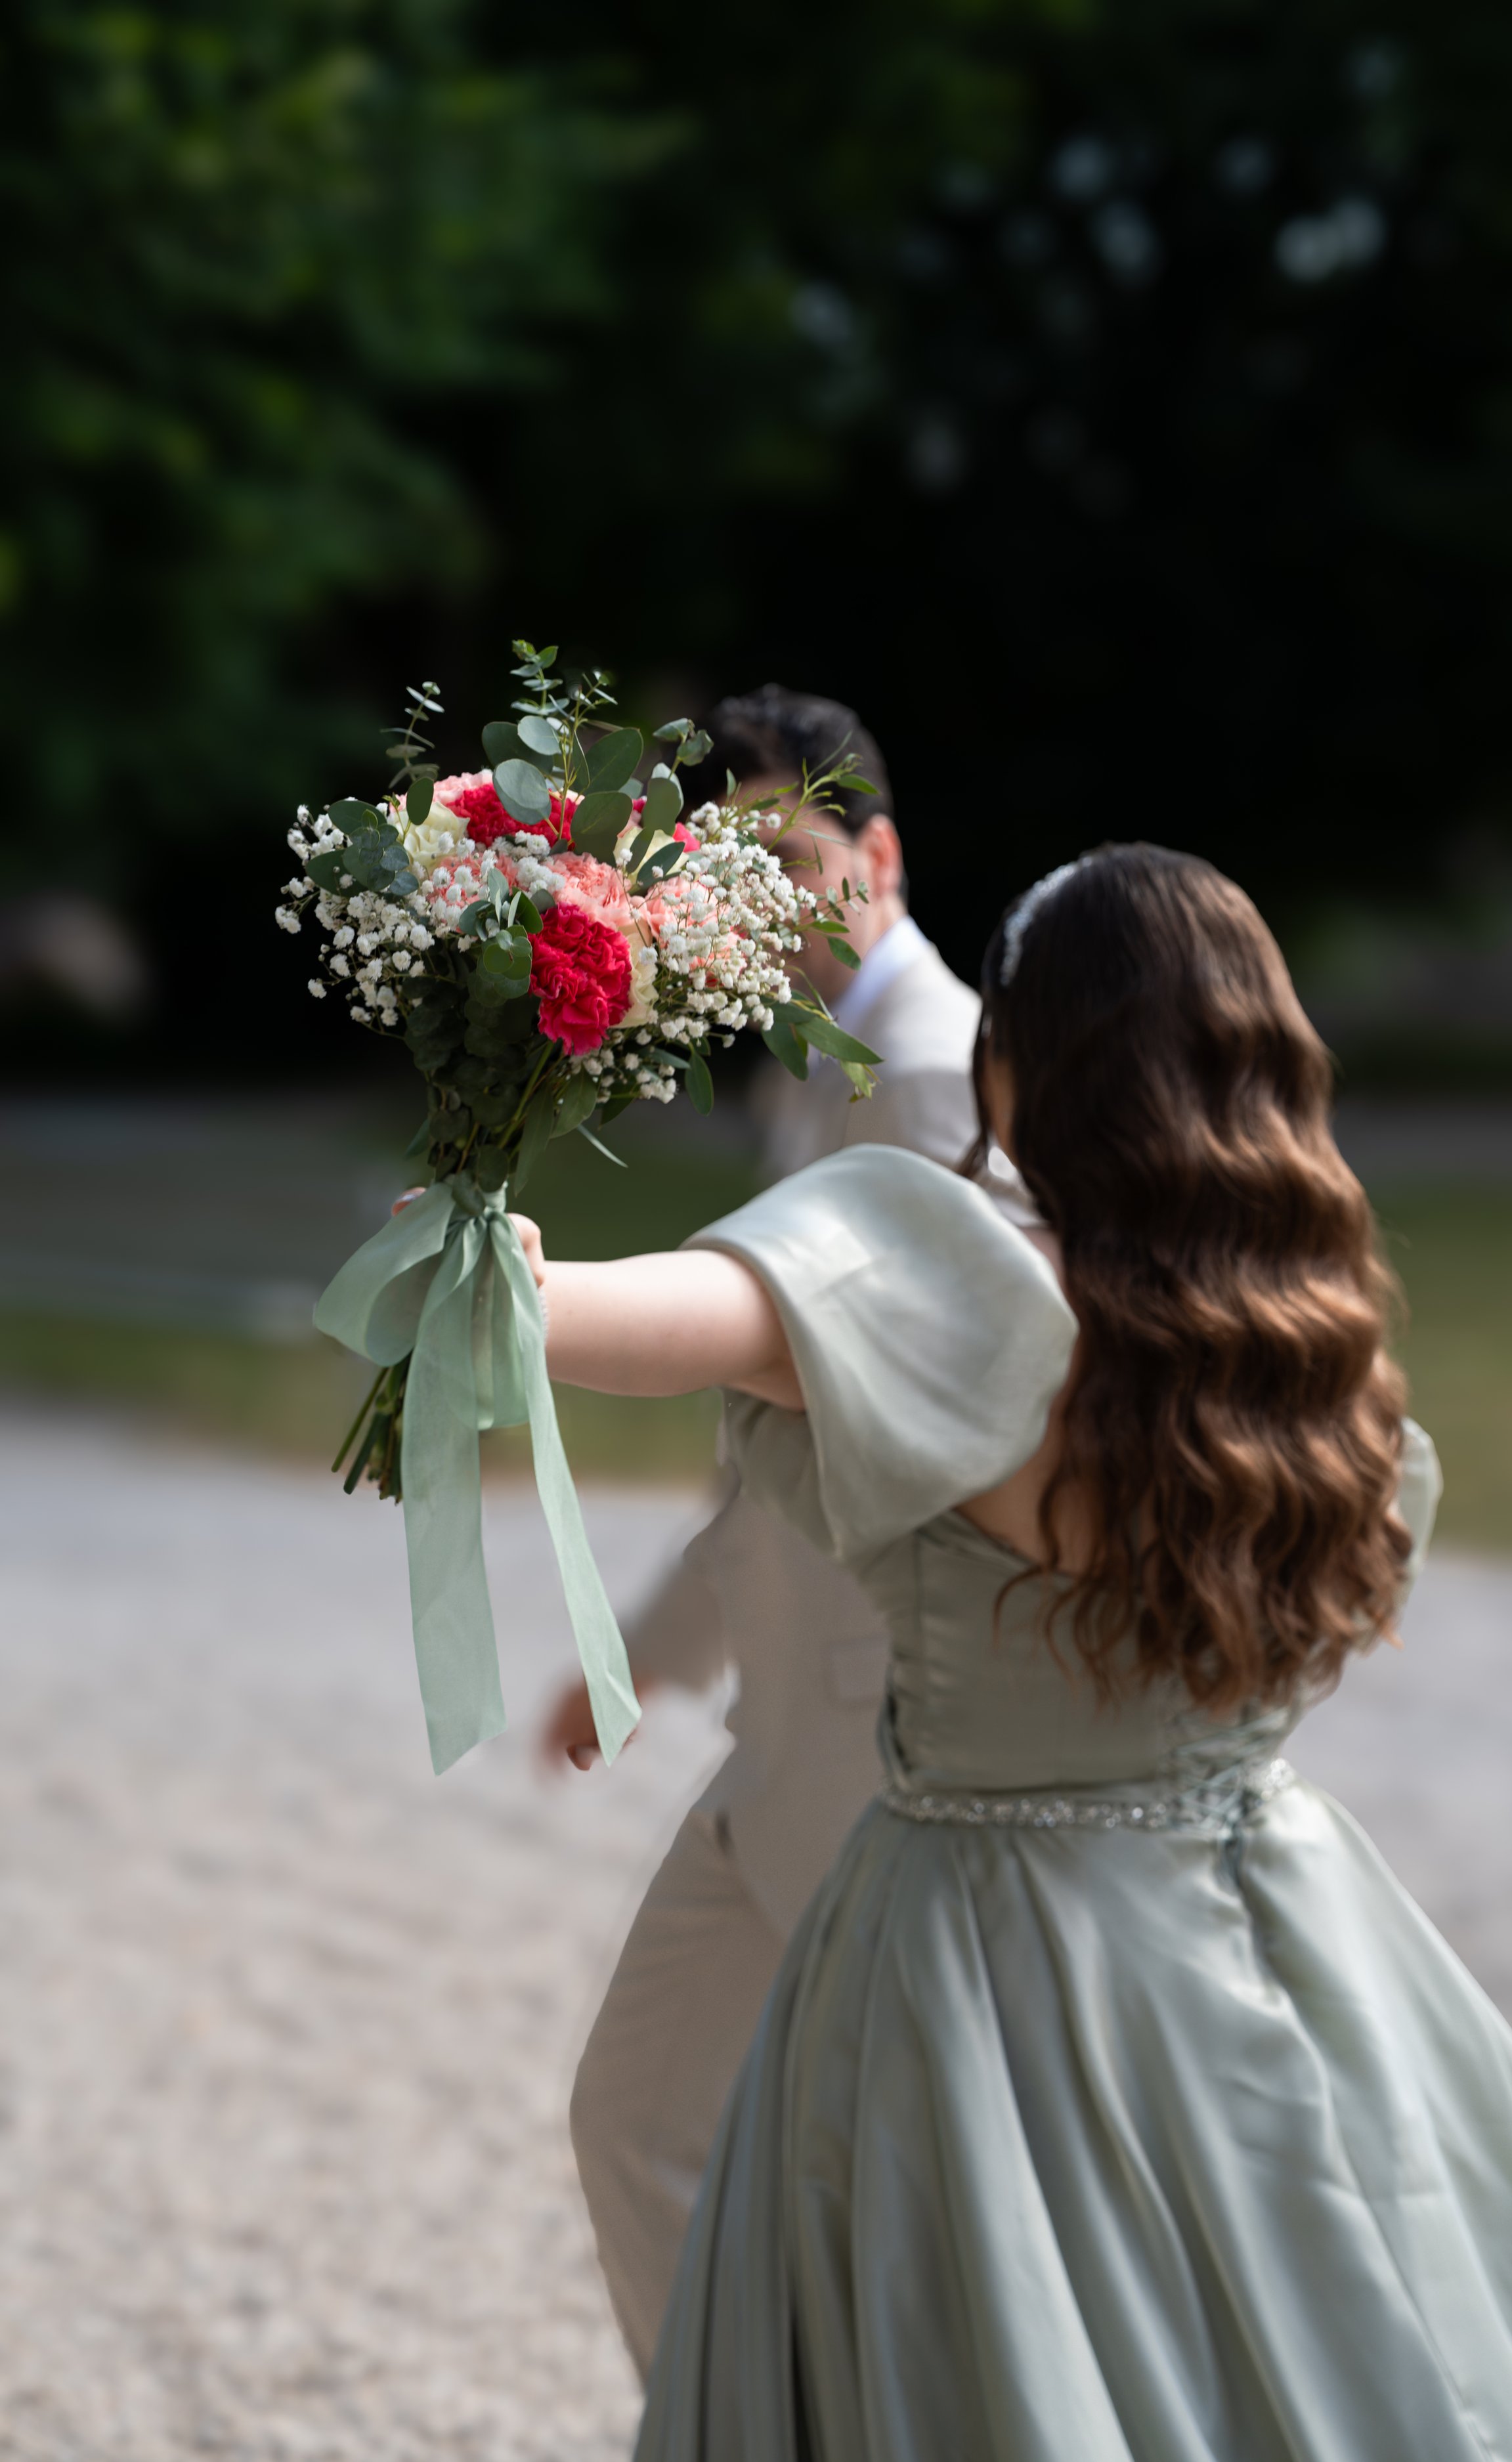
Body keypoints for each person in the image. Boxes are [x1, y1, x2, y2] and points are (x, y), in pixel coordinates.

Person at [515, 844, 1512, 2459]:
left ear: (1019, 1061)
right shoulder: (1310, 1352)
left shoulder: (966, 1300)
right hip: (1275, 1918)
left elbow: (630, 1323)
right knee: (1320, 2325)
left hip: (977, 1941)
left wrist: (508, 1262)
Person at [544, 686, 1000, 2375]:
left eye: (789, 861)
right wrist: (640, 1654)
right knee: (635, 2123)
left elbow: (873, 1392)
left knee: (891, 2190)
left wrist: (528, 1299)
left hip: (891, 1734)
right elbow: (770, 1447)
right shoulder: (810, 1077)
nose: (758, 905)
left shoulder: (951, 1079)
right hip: (778, 1730)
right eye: (725, 874)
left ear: (876, 854)